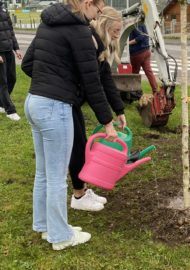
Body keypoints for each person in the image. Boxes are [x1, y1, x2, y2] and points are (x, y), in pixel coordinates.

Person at [21, 0, 118, 250]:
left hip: (34, 101)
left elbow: (27, 63)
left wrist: (51, 79)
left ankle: (44, 225)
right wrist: (107, 121)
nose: (95, 16)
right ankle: (61, 236)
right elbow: (92, 83)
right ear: (87, 4)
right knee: (56, 178)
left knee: (43, 173)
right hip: (54, 107)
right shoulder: (79, 32)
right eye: (97, 10)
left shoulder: (47, 23)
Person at [69, 6, 126, 211]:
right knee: (77, 147)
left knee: (80, 143)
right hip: (64, 100)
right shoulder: (89, 42)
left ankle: (82, 190)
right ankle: (78, 195)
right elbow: (94, 86)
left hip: (71, 100)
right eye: (116, 30)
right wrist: (107, 122)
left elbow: (105, 80)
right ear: (105, 25)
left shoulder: (101, 46)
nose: (118, 34)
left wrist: (119, 109)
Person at [0, 1, 22, 121]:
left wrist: (16, 48)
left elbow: (10, 30)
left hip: (8, 49)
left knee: (12, 78)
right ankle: (10, 111)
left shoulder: (3, 8)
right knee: (2, 82)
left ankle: (1, 104)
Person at [128, 21, 158, 93]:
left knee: (135, 73)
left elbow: (141, 36)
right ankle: (155, 91)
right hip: (146, 51)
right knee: (148, 71)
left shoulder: (134, 24)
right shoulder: (142, 23)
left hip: (137, 53)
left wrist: (127, 43)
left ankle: (135, 92)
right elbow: (145, 35)